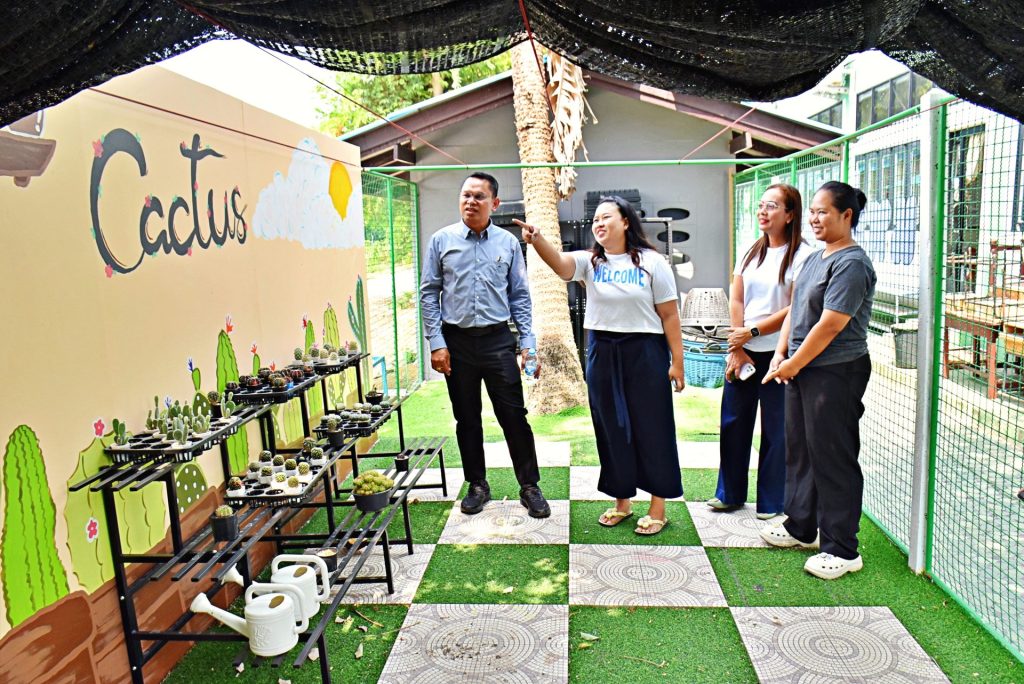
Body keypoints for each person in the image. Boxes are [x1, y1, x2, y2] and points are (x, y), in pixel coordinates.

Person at [515, 196, 684, 536]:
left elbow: (669, 315)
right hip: (602, 351)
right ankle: (622, 502)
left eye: (606, 217)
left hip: (645, 351)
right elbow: (561, 265)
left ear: (626, 222)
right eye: (595, 219)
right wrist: (537, 240)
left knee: (653, 426)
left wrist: (677, 362)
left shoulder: (652, 262)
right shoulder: (590, 261)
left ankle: (658, 507)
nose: (599, 223)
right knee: (611, 427)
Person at [760, 181, 876, 580]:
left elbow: (830, 324)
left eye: (823, 211)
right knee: (801, 450)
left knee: (833, 457)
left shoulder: (852, 264)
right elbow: (795, 309)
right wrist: (780, 354)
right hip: (801, 367)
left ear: (847, 215)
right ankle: (801, 526)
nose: (814, 218)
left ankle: (842, 549)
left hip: (836, 372)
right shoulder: (813, 258)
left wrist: (793, 363)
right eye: (812, 211)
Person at [419, 172, 550, 518]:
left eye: (479, 196)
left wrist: (528, 344)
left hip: (497, 341)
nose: (470, 202)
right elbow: (429, 293)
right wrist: (436, 342)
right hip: (456, 343)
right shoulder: (441, 240)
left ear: (495, 203)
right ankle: (477, 485)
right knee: (467, 418)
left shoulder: (508, 243)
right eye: (466, 195)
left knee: (514, 416)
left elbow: (520, 296)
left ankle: (529, 486)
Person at [708, 183, 812, 520]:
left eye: (772, 206)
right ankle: (729, 494)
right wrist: (738, 346)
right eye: (761, 205)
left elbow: (795, 307)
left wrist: (753, 332)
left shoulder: (803, 255)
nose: (762, 211)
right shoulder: (751, 251)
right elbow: (737, 297)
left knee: (777, 430)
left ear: (790, 214)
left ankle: (771, 502)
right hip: (743, 352)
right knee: (733, 423)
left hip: (779, 356)